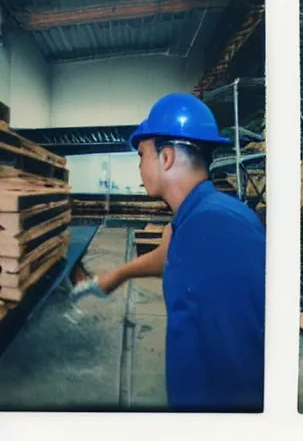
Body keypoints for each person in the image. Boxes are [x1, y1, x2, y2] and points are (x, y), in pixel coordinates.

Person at [72, 92, 266, 413]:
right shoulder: (194, 219)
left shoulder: (216, 228)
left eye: (142, 154)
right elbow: (169, 253)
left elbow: (239, 360)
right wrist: (117, 275)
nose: (139, 166)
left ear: (166, 158)